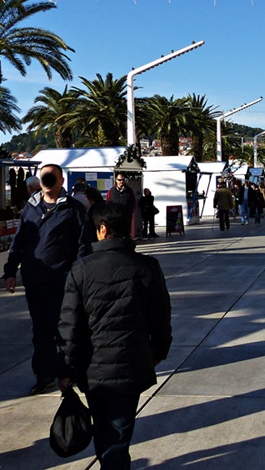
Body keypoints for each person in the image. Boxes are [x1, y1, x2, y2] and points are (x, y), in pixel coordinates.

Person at [57, 201, 172, 469]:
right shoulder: (147, 267)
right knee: (119, 434)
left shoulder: (81, 269)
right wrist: (159, 352)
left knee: (104, 430)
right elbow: (161, 317)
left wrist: (65, 367)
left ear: (102, 229)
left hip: (92, 370)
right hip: (132, 365)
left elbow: (69, 325)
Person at [2, 164, 93, 395]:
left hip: (63, 280)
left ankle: (65, 373)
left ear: (62, 180)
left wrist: (80, 275)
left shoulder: (74, 209)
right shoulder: (30, 208)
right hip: (34, 280)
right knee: (40, 331)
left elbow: (84, 245)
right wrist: (10, 271)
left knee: (62, 328)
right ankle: (43, 376)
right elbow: (18, 242)